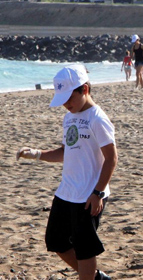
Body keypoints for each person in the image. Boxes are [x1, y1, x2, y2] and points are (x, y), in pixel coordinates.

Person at [16, 65, 117, 280]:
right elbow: (66, 151)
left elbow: (111, 158)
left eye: (69, 98)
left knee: (84, 249)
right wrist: (37, 154)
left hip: (89, 193)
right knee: (56, 242)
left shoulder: (97, 119)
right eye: (62, 99)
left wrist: (98, 192)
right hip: (67, 191)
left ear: (85, 90)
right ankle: (97, 278)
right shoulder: (69, 117)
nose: (65, 104)